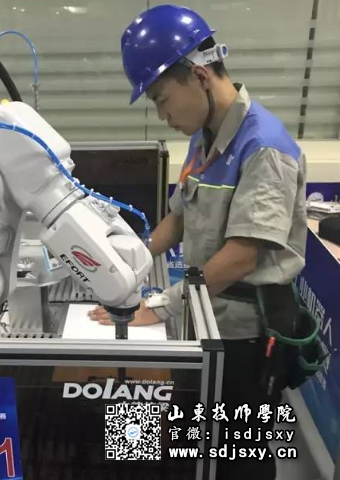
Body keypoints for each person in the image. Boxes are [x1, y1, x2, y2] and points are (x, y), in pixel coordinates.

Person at [88, 4, 307, 480]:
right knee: (183, 440)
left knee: (239, 456)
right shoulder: (205, 136)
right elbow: (178, 218)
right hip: (205, 318)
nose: (163, 115)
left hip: (246, 334)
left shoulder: (264, 148)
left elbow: (241, 258)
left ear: (200, 76)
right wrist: (123, 261)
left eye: (162, 99)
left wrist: (160, 306)